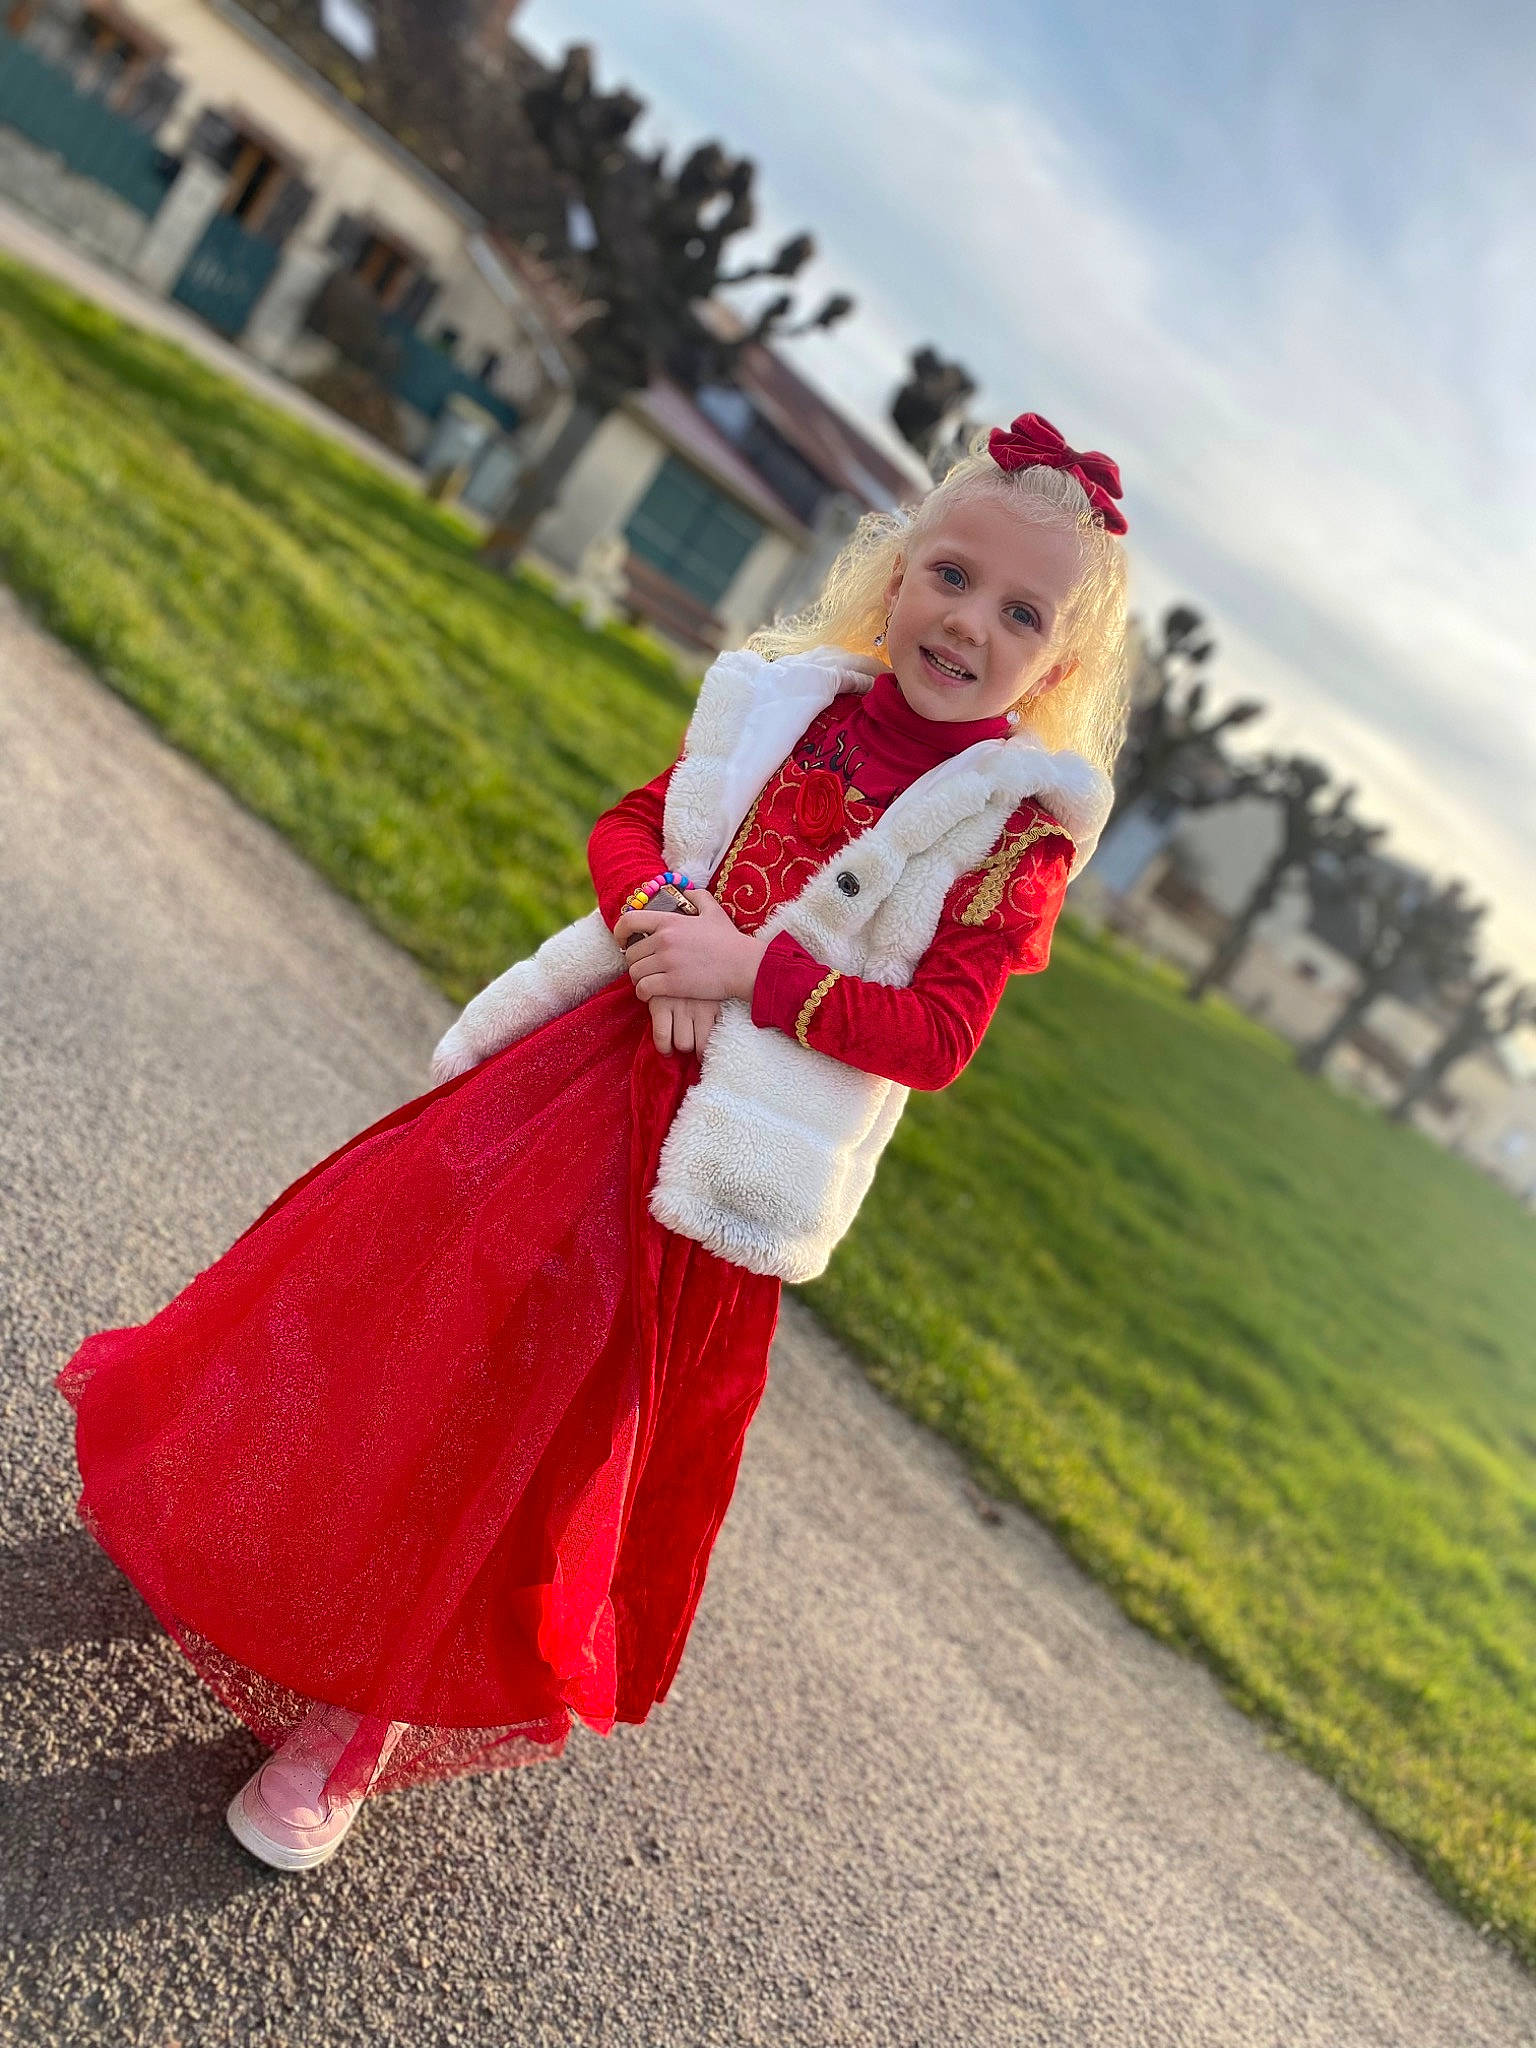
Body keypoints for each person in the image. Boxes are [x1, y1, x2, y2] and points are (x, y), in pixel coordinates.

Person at [55, 412, 1131, 1871]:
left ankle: (355, 1722)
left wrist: (744, 971)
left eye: (1020, 614)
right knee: (407, 1321)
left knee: (535, 1435)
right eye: (951, 576)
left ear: (1057, 663)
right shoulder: (784, 705)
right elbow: (636, 826)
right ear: (896, 574)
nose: (969, 624)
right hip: (579, 1085)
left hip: (705, 1173)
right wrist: (664, 926)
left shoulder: (1012, 835)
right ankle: (241, 1530)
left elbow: (936, 1032)